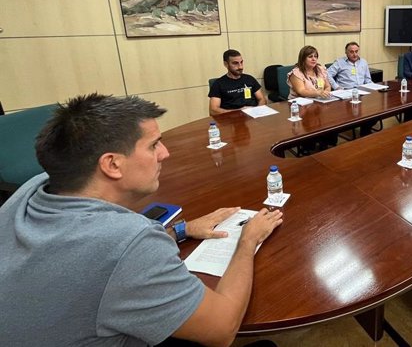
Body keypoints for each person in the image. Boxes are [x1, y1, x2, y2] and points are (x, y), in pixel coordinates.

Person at [0, 93, 283, 346]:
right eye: (153, 145)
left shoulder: (33, 188)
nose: (165, 153)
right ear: (112, 164)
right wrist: (247, 241)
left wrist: (180, 230)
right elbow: (222, 330)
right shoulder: (127, 242)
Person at [327, 41, 374, 137]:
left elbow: (368, 80)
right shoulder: (340, 63)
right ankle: (363, 132)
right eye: (351, 52)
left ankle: (365, 131)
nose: (354, 54)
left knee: (375, 111)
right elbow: (327, 74)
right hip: (347, 94)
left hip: (362, 93)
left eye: (356, 51)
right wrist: (336, 87)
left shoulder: (363, 62)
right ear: (346, 52)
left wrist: (375, 88)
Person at [209, 49, 267, 116]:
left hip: (253, 116)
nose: (240, 66)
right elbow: (213, 110)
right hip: (231, 120)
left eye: (241, 62)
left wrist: (257, 111)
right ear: (226, 64)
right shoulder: (218, 84)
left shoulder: (249, 79)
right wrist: (240, 111)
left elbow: (262, 99)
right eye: (235, 63)